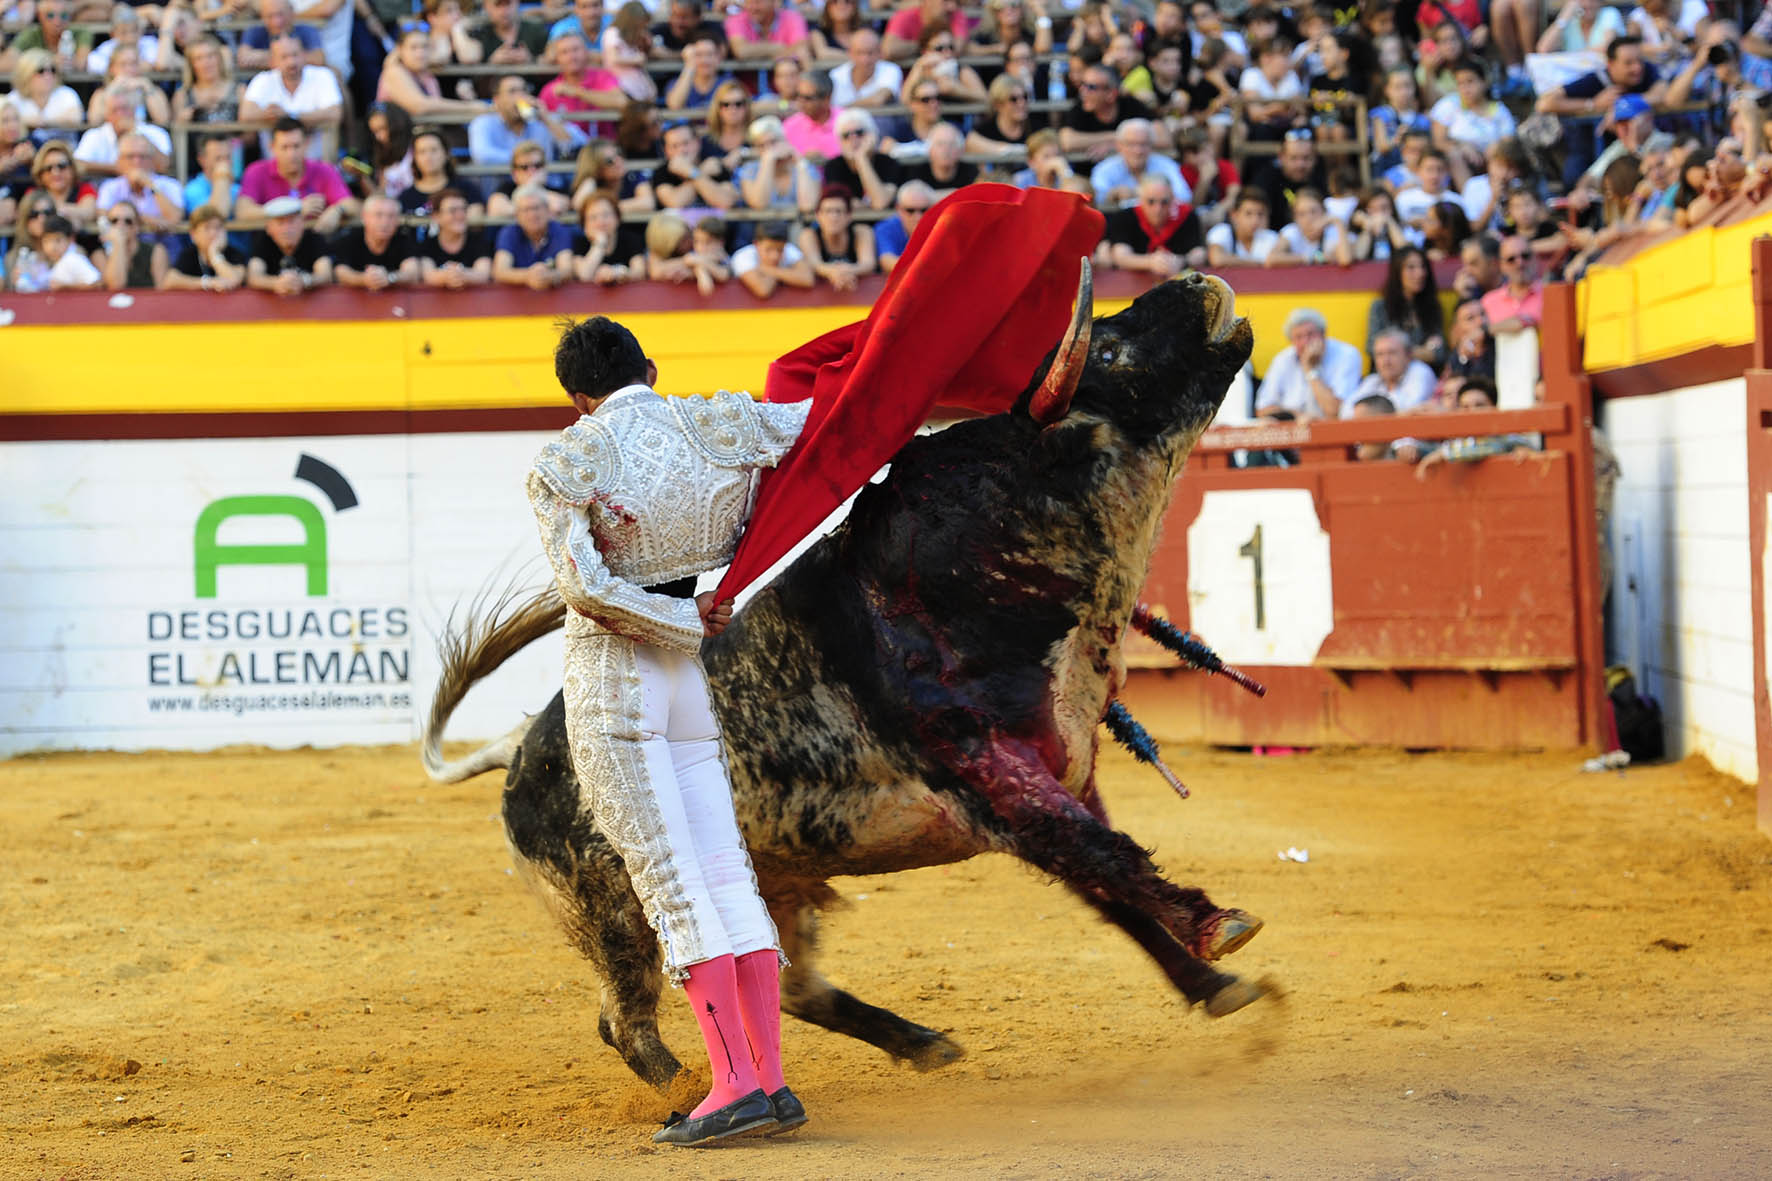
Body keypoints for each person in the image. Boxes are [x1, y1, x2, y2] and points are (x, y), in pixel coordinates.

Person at [526, 315, 810, 1147]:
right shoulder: (721, 420)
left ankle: (731, 1085)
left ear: (579, 398)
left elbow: (587, 589)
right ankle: (768, 1078)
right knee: (725, 868)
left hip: (619, 675)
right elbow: (823, 429)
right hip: (688, 681)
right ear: (650, 367)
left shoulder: (568, 457)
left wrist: (683, 617)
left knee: (672, 877)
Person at [238, 118, 359, 234]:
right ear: (272, 147)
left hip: (316, 242)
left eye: (296, 146)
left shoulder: (324, 170)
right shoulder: (256, 171)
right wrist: (297, 208)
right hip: (270, 246)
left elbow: (351, 205)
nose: (291, 154)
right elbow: (243, 211)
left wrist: (337, 210)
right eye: (284, 147)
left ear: (306, 144)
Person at [240, 34, 345, 160]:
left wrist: (288, 115)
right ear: (273, 61)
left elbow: (335, 113)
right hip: (273, 166)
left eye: (295, 55)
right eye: (284, 57)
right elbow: (245, 114)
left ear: (304, 55)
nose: (291, 62)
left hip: (317, 164)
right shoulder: (263, 79)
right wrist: (269, 114)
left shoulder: (322, 75)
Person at [1255, 306, 1363, 419]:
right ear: (1291, 341)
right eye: (1298, 337)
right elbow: (1262, 409)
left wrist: (1310, 369)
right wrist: (1297, 416)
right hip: (1291, 429)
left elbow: (1335, 411)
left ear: (1323, 334)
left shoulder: (1346, 354)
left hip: (1332, 429)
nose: (1305, 342)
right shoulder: (1282, 359)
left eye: (1310, 334)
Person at [470, 74, 588, 167]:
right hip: (500, 190)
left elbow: (580, 145)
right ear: (496, 100)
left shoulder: (542, 120)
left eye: (523, 90)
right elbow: (482, 156)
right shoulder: (484, 123)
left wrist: (546, 119)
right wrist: (527, 159)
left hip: (545, 189)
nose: (520, 96)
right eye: (512, 91)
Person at [378, 25, 488, 121]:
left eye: (425, 47)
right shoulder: (394, 71)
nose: (420, 53)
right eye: (413, 47)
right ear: (400, 50)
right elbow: (420, 106)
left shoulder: (426, 74)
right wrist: (469, 107)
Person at [1105, 173, 1203, 276]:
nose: (1158, 209)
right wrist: (1150, 262)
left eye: (1164, 202)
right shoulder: (1125, 217)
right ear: (1140, 199)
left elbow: (1199, 253)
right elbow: (1120, 256)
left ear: (1173, 198)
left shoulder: (1187, 216)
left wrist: (1182, 261)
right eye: (1151, 201)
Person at [1367, 246, 1445, 368]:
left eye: (1423, 267)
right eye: (1411, 267)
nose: (1420, 273)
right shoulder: (1380, 307)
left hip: (1422, 373)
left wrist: (1397, 350)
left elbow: (1439, 354)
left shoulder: (1433, 307)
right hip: (1387, 376)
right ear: (1398, 272)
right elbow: (1373, 348)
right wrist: (1424, 350)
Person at [1062, 62, 1161, 158]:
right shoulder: (1081, 106)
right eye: (1083, 84)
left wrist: (1117, 146)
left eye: (1091, 87)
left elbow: (1163, 137)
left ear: (1111, 94)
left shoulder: (1130, 104)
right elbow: (1067, 141)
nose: (1082, 91)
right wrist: (1121, 139)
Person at [94, 131, 183, 235]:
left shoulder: (170, 185)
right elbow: (103, 217)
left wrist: (151, 186)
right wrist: (143, 219)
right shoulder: (110, 187)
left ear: (152, 160)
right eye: (130, 156)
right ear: (120, 160)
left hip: (164, 246)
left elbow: (175, 218)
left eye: (143, 156)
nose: (137, 162)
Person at [1089, 118, 1188, 210]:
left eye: (1143, 144)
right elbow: (1094, 199)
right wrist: (1112, 194)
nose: (1138, 151)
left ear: (1151, 146)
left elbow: (1184, 197)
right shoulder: (1104, 169)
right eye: (1131, 144)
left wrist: (1139, 194)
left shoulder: (1166, 165)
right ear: (1119, 146)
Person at [246, 193, 334, 294]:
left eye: (292, 221)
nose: (287, 229)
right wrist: (276, 283)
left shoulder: (314, 237)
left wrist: (305, 281)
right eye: (280, 222)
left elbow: (326, 274)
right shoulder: (262, 240)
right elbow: (253, 276)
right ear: (269, 228)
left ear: (302, 223)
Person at [73, 90, 173, 178]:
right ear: (107, 115)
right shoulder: (94, 135)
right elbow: (78, 164)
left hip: (148, 192)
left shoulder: (155, 132)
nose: (120, 115)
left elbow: (163, 165)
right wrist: (116, 168)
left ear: (134, 110)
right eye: (115, 110)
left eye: (125, 109)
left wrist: (137, 133)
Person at [494, 183, 575, 289]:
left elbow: (567, 270)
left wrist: (550, 276)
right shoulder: (508, 233)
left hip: (554, 298)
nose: (532, 214)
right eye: (526, 210)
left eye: (536, 208)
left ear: (547, 210)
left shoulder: (559, 231)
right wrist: (528, 276)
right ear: (517, 215)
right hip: (517, 298)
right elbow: (500, 271)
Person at [332, 192, 419, 289]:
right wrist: (363, 279)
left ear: (398, 219)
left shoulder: (404, 239)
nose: (385, 222)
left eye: (391, 216)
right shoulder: (349, 239)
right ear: (364, 217)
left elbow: (412, 272)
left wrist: (390, 277)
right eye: (378, 215)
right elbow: (340, 272)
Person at [799, 183, 876, 291]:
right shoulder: (808, 235)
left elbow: (868, 264)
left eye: (838, 211)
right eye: (828, 211)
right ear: (818, 215)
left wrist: (843, 271)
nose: (833, 217)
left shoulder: (862, 231)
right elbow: (814, 264)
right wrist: (837, 272)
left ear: (849, 216)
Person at [1247, 128, 1327, 229]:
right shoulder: (1266, 180)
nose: (1300, 165)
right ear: (1281, 157)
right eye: (1294, 158)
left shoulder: (1322, 180)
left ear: (1315, 158)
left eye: (1306, 158)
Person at [1348, 327, 1437, 415]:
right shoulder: (1372, 380)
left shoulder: (1420, 372)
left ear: (1408, 355)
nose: (1386, 361)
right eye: (1380, 354)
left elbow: (1411, 406)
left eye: (1392, 353)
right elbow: (1346, 412)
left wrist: (1368, 412)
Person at [653, 120, 738, 210]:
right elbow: (674, 203)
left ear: (698, 142)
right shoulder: (662, 172)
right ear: (666, 150)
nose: (682, 150)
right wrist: (698, 172)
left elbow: (727, 201)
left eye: (686, 143)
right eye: (674, 146)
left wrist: (691, 172)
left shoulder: (713, 165)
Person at [419, 186, 494, 287]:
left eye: (463, 209)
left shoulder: (478, 241)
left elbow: (483, 274)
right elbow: (428, 275)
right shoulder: (428, 244)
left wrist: (461, 274)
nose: (460, 215)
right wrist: (449, 276)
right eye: (453, 210)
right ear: (436, 216)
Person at [161, 204, 247, 291]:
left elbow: (234, 280)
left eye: (218, 227)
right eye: (207, 227)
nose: (213, 233)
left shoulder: (234, 253)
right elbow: (169, 281)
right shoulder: (190, 254)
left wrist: (214, 254)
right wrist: (207, 283)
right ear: (193, 234)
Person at [4, 49, 86, 141]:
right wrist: (26, 121)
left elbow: (75, 118)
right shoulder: (14, 98)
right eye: (41, 71)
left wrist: (44, 121)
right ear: (26, 73)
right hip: (27, 152)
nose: (48, 75)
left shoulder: (66, 94)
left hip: (62, 150)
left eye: (52, 70)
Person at [573, 190, 646, 284]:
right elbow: (584, 275)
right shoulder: (580, 242)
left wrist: (617, 273)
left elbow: (640, 272)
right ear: (584, 223)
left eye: (606, 215)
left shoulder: (631, 238)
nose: (601, 222)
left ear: (617, 218)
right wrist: (600, 243)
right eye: (593, 217)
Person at [1480, 232, 1543, 337]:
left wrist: (1491, 329)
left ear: (1535, 258)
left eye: (1525, 256)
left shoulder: (1551, 295)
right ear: (1501, 265)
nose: (1520, 263)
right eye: (1511, 259)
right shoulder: (1488, 301)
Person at [236, 0, 325, 72]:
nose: (277, 22)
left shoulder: (306, 29)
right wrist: (294, 58)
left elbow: (318, 59)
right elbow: (243, 59)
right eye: (270, 16)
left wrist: (263, 57)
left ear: (291, 12)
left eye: (280, 14)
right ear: (262, 17)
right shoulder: (254, 31)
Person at [733, 219, 814, 297]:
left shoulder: (789, 249)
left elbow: (808, 279)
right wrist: (783, 273)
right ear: (756, 244)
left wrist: (767, 269)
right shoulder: (743, 256)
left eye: (780, 250)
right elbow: (763, 290)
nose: (774, 256)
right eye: (769, 249)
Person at [97, 200, 166, 289]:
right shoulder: (100, 254)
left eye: (128, 221)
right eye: (114, 221)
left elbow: (161, 290)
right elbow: (115, 286)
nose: (120, 225)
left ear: (137, 226)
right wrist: (119, 244)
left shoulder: (156, 251)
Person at [1205, 187, 1280, 267]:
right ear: (1234, 215)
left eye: (1260, 214)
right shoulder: (1222, 231)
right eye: (1248, 213)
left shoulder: (1271, 237)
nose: (1255, 220)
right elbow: (1217, 259)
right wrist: (1259, 263)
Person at [458, 0, 551, 64]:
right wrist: (492, 63)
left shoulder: (536, 30)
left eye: (508, 3)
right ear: (486, 6)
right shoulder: (479, 33)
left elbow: (551, 66)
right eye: (498, 4)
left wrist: (530, 60)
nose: (504, 11)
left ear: (517, 2)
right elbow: (473, 81)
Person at [602, 1, 660, 103]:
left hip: (637, 84)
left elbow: (649, 54)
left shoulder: (633, 36)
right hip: (621, 85)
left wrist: (647, 44)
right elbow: (613, 58)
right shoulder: (612, 32)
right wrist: (636, 59)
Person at [1276, 186, 1350, 265]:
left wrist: (1337, 222)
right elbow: (1272, 258)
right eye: (1302, 214)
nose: (1309, 218)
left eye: (1313, 211)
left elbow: (1345, 260)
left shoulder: (1331, 232)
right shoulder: (1291, 231)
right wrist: (1312, 257)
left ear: (1324, 212)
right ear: (1295, 218)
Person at [831, 29, 901, 110]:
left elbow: (878, 99)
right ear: (850, 53)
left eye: (870, 53)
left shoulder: (891, 70)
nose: (865, 59)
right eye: (859, 53)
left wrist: (840, 110)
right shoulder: (835, 75)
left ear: (880, 53)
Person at [897, 119, 967, 197]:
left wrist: (929, 197)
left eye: (952, 144)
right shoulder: (916, 172)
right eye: (940, 144)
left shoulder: (971, 172)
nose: (946, 150)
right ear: (930, 149)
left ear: (961, 150)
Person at [874, 179, 932, 273]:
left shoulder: (940, 227)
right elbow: (886, 261)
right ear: (899, 209)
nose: (918, 217)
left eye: (923, 210)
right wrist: (924, 267)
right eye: (910, 210)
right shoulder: (886, 228)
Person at [724, 0, 811, 62]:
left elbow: (801, 48)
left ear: (774, 2)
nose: (753, 7)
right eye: (748, 2)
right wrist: (777, 48)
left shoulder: (792, 17)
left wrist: (757, 51)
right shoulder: (736, 19)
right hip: (746, 85)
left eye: (758, 2)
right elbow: (741, 51)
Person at [664, 31, 730, 111]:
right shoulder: (676, 83)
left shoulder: (728, 83)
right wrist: (689, 65)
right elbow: (674, 105)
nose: (704, 60)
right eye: (699, 54)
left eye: (709, 54)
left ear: (718, 57)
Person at [783, 70, 842, 159]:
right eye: (798, 95)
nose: (801, 102)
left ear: (827, 99)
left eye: (807, 98)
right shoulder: (789, 126)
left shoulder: (848, 122)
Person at [38, 213, 103, 290]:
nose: (52, 247)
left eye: (58, 240)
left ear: (70, 240)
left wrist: (65, 286)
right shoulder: (47, 261)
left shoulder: (72, 259)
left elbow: (97, 283)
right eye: (47, 241)